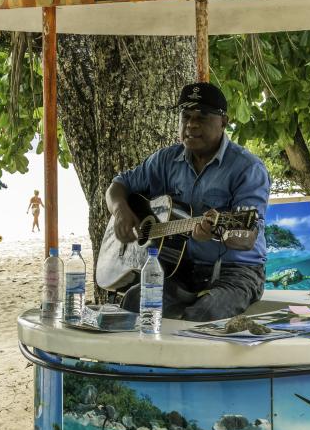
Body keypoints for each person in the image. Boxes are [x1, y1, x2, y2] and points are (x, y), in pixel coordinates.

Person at [106, 82, 270, 322]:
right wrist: (120, 210)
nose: (191, 124)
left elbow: (247, 237)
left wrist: (217, 233)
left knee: (204, 313)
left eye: (202, 117)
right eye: (186, 116)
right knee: (134, 301)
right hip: (180, 269)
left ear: (223, 122)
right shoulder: (165, 160)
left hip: (237, 272)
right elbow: (118, 186)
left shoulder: (247, 168)